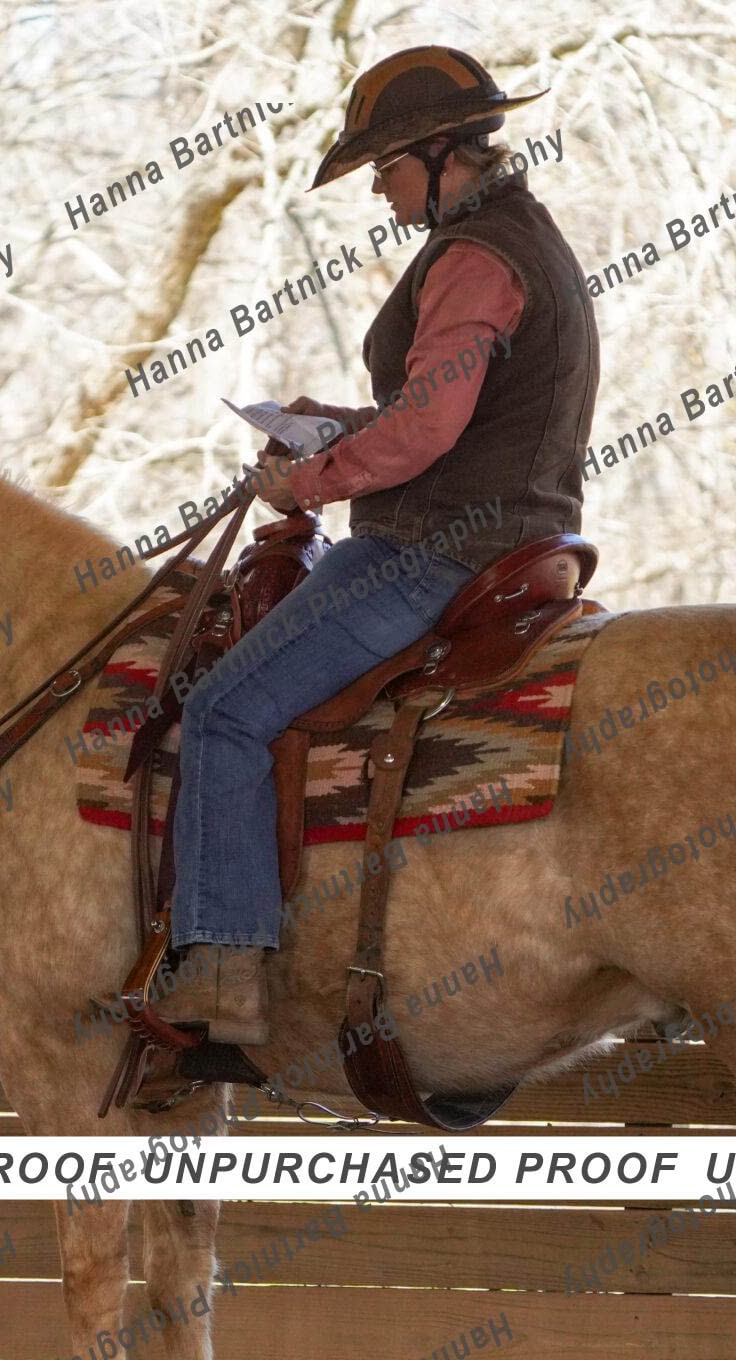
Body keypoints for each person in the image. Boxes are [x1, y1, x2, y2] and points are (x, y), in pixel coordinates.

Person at [154, 44, 600, 1045]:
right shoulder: (525, 240)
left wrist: (306, 482)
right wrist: (337, 425)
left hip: (432, 551)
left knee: (222, 711)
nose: (381, 194)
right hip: (515, 539)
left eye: (387, 170)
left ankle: (224, 970)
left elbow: (427, 433)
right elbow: (446, 417)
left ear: (443, 155)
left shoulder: (474, 258)